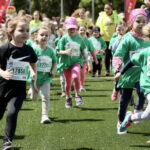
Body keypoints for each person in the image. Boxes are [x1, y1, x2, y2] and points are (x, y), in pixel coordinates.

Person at [0, 16, 37, 150]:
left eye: (27, 30)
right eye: (21, 30)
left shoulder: (29, 50)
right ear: (11, 32)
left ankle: (7, 144)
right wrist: (3, 73)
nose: (25, 33)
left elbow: (33, 63)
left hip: (18, 90)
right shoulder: (5, 49)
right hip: (2, 88)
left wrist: (33, 74)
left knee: (12, 113)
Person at [112, 8, 150, 134]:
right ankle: (120, 121)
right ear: (132, 22)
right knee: (124, 101)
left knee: (142, 92)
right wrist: (117, 66)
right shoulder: (127, 38)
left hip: (143, 75)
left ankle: (138, 109)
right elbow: (119, 54)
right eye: (138, 21)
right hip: (127, 74)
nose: (141, 24)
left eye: (144, 21)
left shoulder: (148, 39)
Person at [28, 25, 57, 123]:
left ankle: (44, 116)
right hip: (35, 78)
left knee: (46, 96)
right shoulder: (34, 50)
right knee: (34, 99)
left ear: (49, 38)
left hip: (46, 78)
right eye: (42, 35)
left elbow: (55, 62)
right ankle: (32, 91)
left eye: (46, 35)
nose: (44, 37)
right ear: (36, 37)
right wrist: (32, 72)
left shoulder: (50, 51)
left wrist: (53, 71)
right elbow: (28, 63)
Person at [57, 17, 86, 108]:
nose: (72, 30)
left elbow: (83, 48)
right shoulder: (63, 39)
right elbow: (58, 51)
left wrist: (85, 56)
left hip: (76, 61)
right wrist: (65, 52)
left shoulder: (79, 38)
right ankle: (68, 98)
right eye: (69, 28)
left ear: (76, 28)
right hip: (66, 64)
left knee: (76, 76)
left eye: (73, 28)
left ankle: (78, 95)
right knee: (68, 84)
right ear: (66, 28)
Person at [96, 2, 122, 76]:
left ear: (111, 9)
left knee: (114, 54)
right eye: (105, 8)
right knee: (107, 55)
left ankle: (115, 69)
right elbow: (98, 25)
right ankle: (107, 70)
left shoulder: (116, 16)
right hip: (106, 39)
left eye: (108, 8)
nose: (106, 10)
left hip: (115, 39)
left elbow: (120, 23)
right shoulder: (102, 17)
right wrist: (100, 31)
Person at [109, 21, 126, 101]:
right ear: (115, 29)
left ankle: (129, 97)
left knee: (126, 79)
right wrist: (118, 40)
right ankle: (115, 91)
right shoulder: (113, 39)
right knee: (117, 78)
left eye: (122, 29)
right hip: (116, 61)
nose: (120, 31)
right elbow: (112, 48)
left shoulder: (127, 37)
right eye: (118, 29)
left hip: (125, 61)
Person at [78, 25, 98, 91]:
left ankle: (81, 86)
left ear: (86, 31)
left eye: (83, 30)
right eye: (81, 30)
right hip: (75, 61)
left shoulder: (88, 41)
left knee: (83, 73)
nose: (82, 31)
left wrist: (95, 59)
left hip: (84, 60)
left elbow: (92, 51)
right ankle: (74, 85)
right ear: (78, 31)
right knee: (76, 73)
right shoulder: (75, 40)